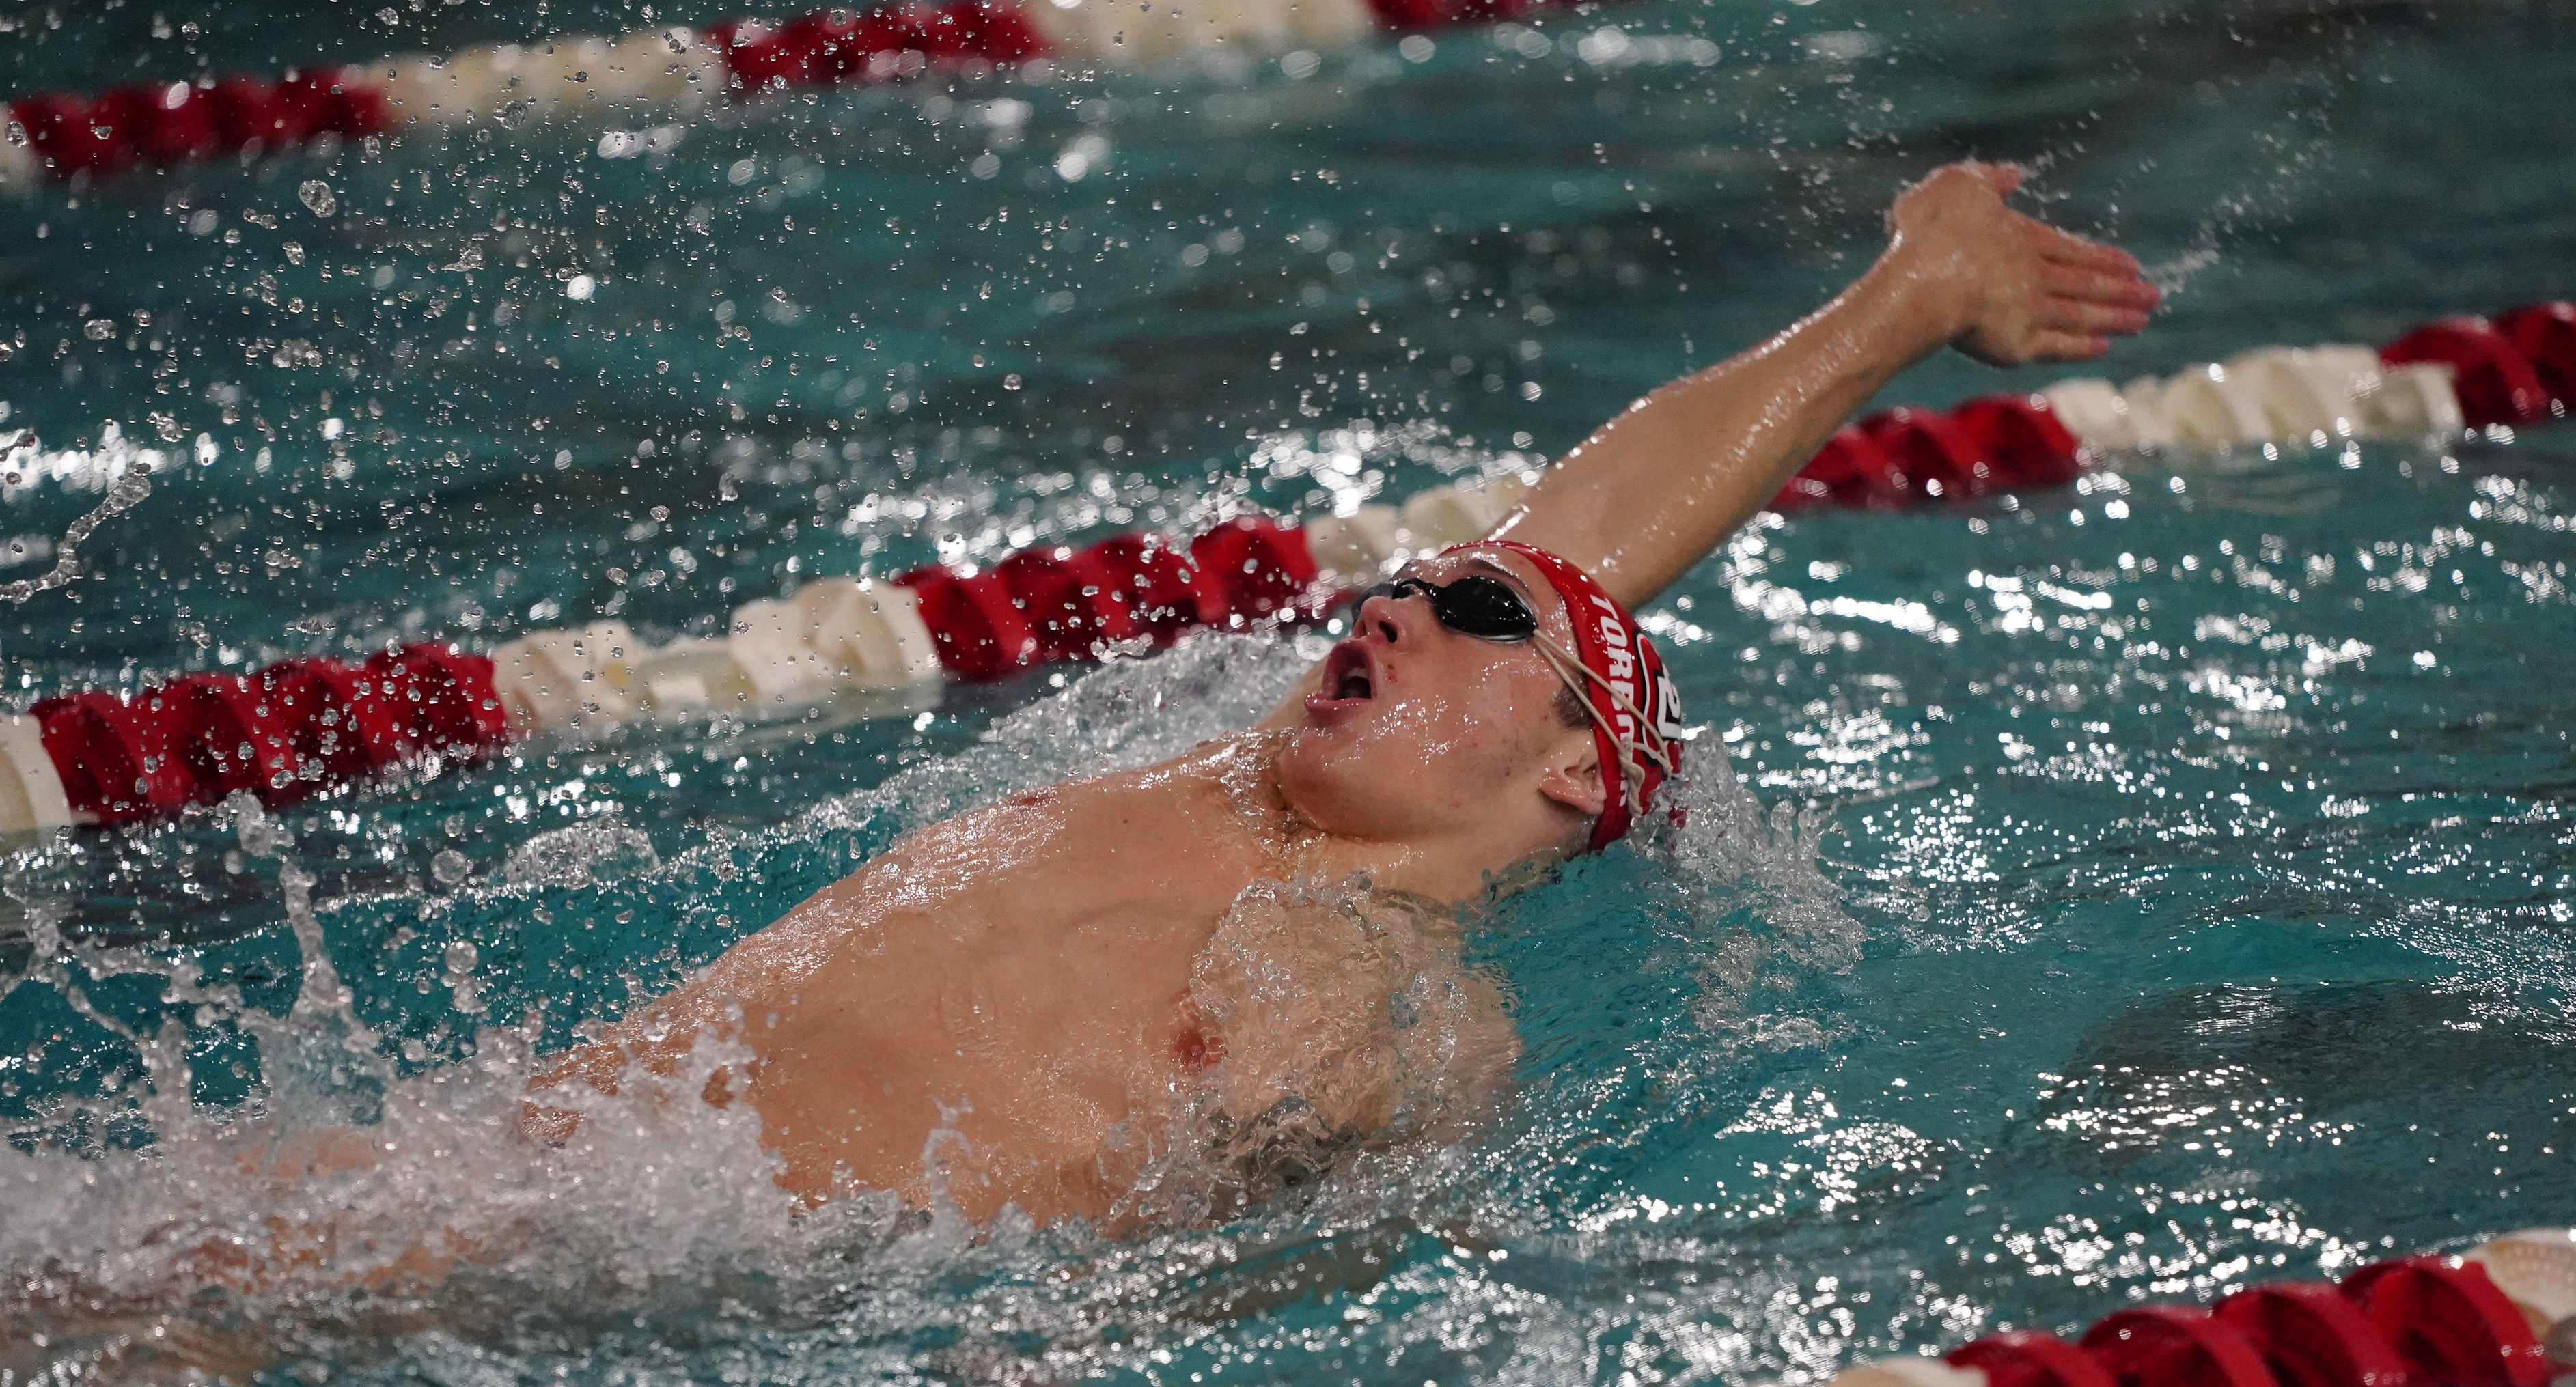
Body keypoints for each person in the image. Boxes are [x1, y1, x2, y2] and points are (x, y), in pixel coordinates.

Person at [512, 162, 2159, 1227]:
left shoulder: (1381, 979)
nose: (1394, 598)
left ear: (1579, 774)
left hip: (606, 1250)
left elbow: (1280, 1257)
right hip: (532, 1154)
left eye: (1475, 612)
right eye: (1404, 580)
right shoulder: (1242, 795)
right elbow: (1590, 531)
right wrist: (1909, 302)